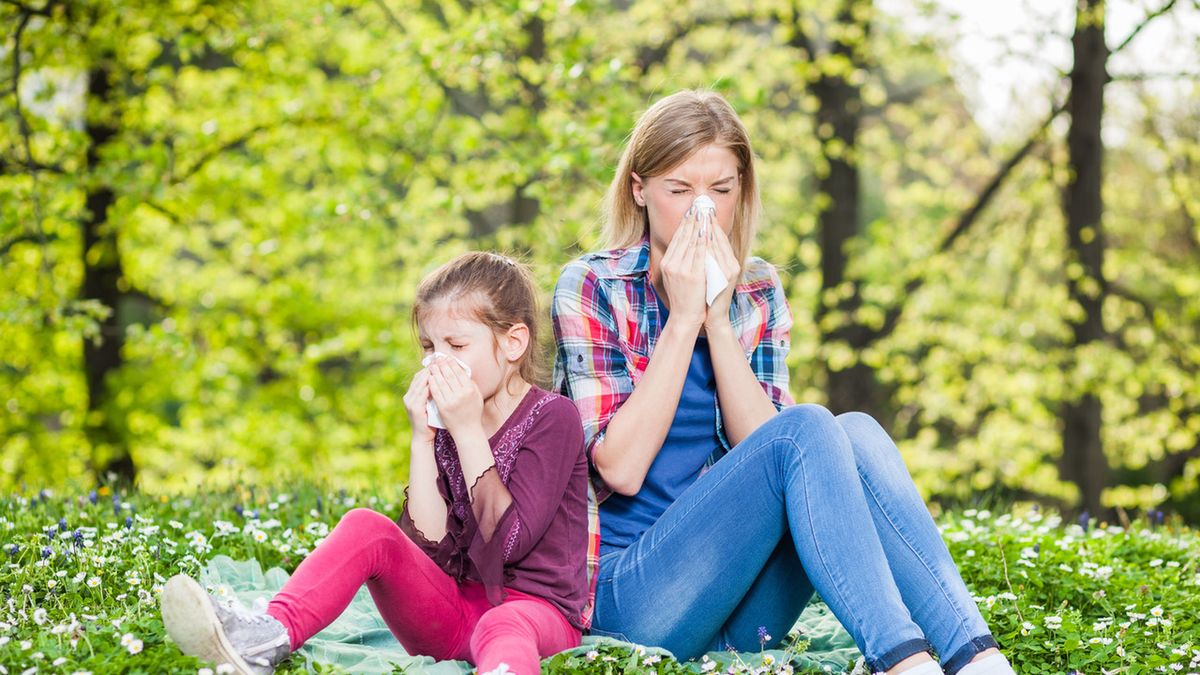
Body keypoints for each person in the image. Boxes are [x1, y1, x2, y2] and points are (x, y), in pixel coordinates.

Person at [551, 90, 1015, 675]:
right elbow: (619, 468)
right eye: (679, 191)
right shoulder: (593, 286)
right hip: (633, 599)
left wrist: (718, 320)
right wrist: (683, 319)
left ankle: (977, 659)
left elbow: (775, 455)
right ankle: (903, 661)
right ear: (639, 190)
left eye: (720, 191)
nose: (703, 212)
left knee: (855, 432)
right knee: (810, 427)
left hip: (739, 604)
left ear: (741, 190)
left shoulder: (757, 289)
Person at [163, 252, 593, 675]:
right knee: (367, 526)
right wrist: (423, 439)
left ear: (513, 342)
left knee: (503, 624)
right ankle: (266, 638)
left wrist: (466, 430)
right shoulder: (447, 423)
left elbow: (508, 543)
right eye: (429, 345)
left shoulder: (553, 417)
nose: (437, 361)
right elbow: (430, 548)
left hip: (536, 615)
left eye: (457, 344)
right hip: (453, 616)